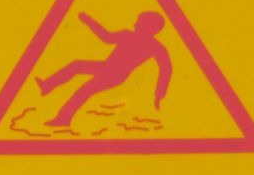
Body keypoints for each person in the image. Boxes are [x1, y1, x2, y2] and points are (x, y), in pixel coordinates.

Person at [36, 10, 171, 127]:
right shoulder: (129, 35)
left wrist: (159, 94)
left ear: (149, 27)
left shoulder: (155, 46)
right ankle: (48, 86)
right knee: (76, 66)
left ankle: (63, 118)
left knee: (84, 90)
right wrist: (90, 22)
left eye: (139, 22)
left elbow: (166, 69)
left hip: (115, 75)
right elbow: (106, 37)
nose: (135, 24)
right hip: (106, 67)